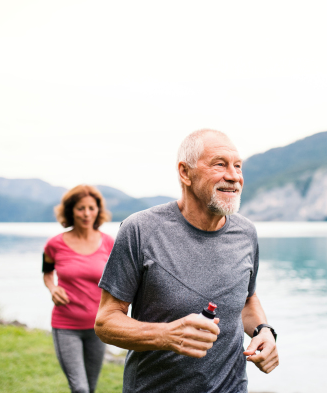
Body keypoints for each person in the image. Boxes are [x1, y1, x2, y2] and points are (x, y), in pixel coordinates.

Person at [94, 129, 279, 392]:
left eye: (238, 166)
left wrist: (264, 331)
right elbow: (105, 322)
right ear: (185, 172)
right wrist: (166, 335)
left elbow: (247, 299)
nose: (234, 176)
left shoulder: (246, 233)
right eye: (220, 164)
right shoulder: (140, 230)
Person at [42, 185, 115, 393]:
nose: (86, 214)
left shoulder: (109, 243)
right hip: (66, 325)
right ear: (70, 211)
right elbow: (47, 272)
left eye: (91, 208)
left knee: (90, 388)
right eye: (80, 208)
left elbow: (120, 280)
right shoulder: (54, 244)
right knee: (80, 389)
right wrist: (52, 288)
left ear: (98, 211)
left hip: (98, 327)